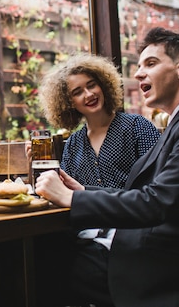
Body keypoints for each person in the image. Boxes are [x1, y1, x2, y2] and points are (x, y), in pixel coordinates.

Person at [34, 27, 179, 306]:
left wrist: (74, 199)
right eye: (138, 66)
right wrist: (84, 189)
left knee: (42, 258)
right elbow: (153, 193)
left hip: (175, 260)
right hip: (154, 242)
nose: (137, 74)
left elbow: (157, 202)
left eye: (151, 63)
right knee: (45, 249)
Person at [31, 53, 160, 246]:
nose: (89, 94)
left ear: (103, 85)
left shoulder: (137, 127)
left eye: (91, 85)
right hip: (85, 234)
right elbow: (65, 194)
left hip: (132, 231)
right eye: (77, 92)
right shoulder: (74, 143)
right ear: (69, 103)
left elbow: (156, 188)